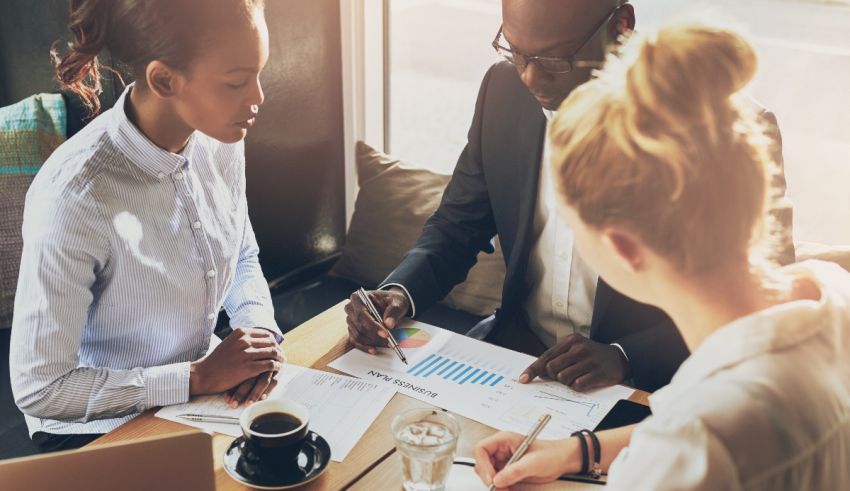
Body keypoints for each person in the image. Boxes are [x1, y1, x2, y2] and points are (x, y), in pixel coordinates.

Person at [473, 21, 850, 490]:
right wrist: (579, 450)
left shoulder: (687, 454)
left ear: (622, 249)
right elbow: (693, 425)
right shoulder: (829, 293)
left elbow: (695, 441)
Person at [345, 0, 795, 392]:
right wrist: (400, 292)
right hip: (512, 355)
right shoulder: (502, 92)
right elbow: (457, 224)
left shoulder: (726, 131)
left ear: (621, 24)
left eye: (555, 58)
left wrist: (625, 355)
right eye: (515, 51)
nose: (529, 76)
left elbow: (760, 289)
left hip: (646, 383)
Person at [10, 0, 284, 453]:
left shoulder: (220, 138)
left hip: (200, 397)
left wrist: (258, 336)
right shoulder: (75, 198)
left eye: (258, 74)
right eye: (236, 82)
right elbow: (41, 388)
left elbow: (241, 254)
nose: (257, 97)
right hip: (95, 428)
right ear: (163, 79)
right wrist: (196, 377)